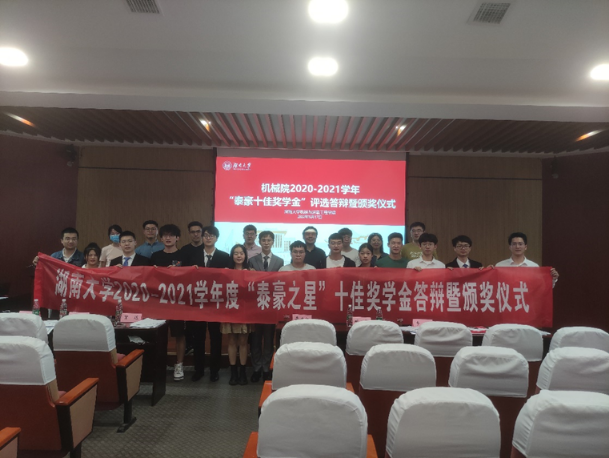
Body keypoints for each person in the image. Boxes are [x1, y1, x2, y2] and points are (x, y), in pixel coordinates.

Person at [187, 225, 230, 383]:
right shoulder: (193, 256)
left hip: (216, 304)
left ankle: (214, 370)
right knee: (198, 338)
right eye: (205, 235)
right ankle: (198, 370)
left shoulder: (224, 257)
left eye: (211, 235)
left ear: (216, 238)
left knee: (215, 338)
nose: (208, 238)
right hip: (198, 303)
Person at [150, 224, 188, 382]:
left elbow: (190, 278)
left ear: (177, 238)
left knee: (179, 334)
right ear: (161, 238)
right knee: (159, 334)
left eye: (171, 235)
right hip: (159, 302)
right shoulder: (155, 256)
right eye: (165, 235)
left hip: (178, 302)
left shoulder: (184, 256)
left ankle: (179, 364)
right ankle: (160, 364)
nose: (168, 238)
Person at [248, 231, 284, 382]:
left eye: (269, 240)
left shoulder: (279, 261)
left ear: (273, 242)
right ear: (260, 241)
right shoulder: (252, 260)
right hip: (256, 305)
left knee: (269, 339)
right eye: (264, 240)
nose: (266, 242)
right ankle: (256, 368)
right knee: (255, 339)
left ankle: (266, 368)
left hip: (271, 306)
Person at [221, 244, 252, 386]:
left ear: (245, 255)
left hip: (245, 311)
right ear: (232, 256)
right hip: (230, 310)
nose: (239, 256)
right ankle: (233, 372)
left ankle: (243, 372)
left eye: (241, 253)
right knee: (232, 341)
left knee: (243, 342)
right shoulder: (226, 271)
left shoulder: (251, 271)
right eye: (236, 253)